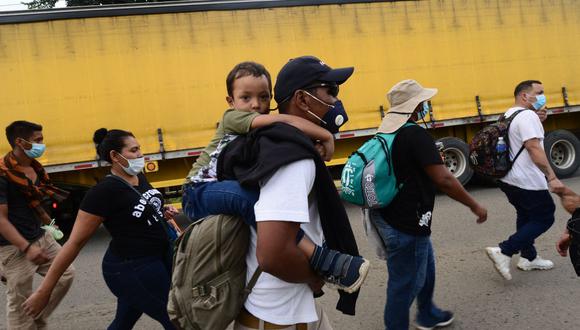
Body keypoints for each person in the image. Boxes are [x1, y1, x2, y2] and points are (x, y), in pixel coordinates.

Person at [181, 61, 369, 292]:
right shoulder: (233, 117)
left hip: (217, 188)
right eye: (246, 98)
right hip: (197, 191)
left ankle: (315, 253)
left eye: (263, 97)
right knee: (252, 203)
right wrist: (325, 136)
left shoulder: (259, 131)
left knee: (258, 204)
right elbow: (285, 121)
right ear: (230, 102)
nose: (256, 105)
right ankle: (318, 257)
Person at [217, 55, 364, 330]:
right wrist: (314, 276)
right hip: (276, 317)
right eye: (330, 91)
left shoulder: (274, 146)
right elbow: (272, 254)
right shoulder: (293, 159)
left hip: (288, 308)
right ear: (303, 99)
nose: (335, 101)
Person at [22, 129, 179, 330]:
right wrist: (44, 292)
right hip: (132, 268)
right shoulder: (103, 192)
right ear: (115, 156)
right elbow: (74, 243)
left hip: (159, 258)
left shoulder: (139, 177)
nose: (141, 154)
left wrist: (162, 212)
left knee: (123, 323)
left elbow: (140, 210)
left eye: (139, 149)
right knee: (178, 321)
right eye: (134, 150)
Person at [368, 79, 488, 330]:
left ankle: (427, 313)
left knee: (426, 263)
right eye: (422, 102)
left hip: (391, 216)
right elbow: (444, 179)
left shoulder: (387, 131)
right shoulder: (413, 133)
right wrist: (474, 205)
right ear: (415, 107)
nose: (425, 105)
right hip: (405, 222)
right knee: (404, 284)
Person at [485, 80, 567, 281]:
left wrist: (539, 120)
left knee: (526, 215)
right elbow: (532, 147)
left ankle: (528, 257)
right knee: (544, 217)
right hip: (527, 179)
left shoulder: (509, 113)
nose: (542, 96)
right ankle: (504, 251)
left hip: (508, 178)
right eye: (539, 92)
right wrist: (552, 176)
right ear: (524, 96)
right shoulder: (528, 115)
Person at [0, 120, 74, 329]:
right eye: (37, 140)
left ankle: (36, 317)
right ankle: (28, 322)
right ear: (20, 142)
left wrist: (49, 224)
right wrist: (27, 248)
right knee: (18, 305)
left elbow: (33, 204)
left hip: (41, 236)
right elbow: (0, 219)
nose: (42, 144)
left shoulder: (35, 168)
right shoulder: (3, 173)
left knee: (65, 274)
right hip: (14, 247)